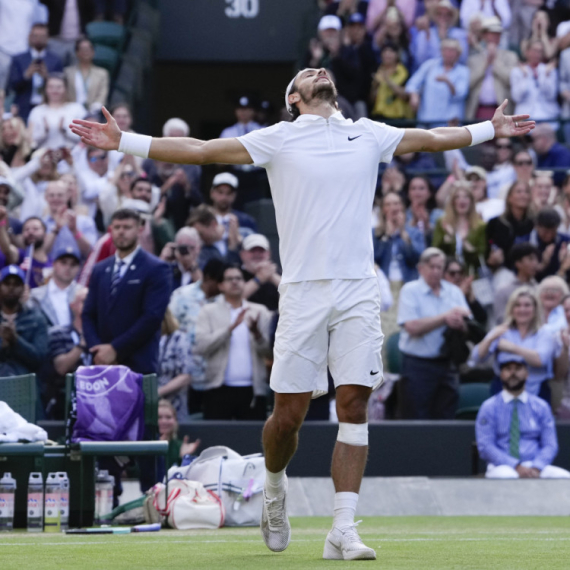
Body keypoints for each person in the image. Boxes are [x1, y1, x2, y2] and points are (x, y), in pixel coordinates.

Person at [71, 64, 534, 559]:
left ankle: (343, 527)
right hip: (302, 293)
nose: (318, 70)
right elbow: (202, 150)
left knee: (354, 406)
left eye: (322, 69)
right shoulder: (279, 138)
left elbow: (431, 138)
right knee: (287, 418)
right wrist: (124, 143)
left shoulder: (370, 133)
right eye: (306, 73)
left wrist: (490, 129)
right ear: (294, 97)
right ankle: (273, 486)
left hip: (358, 289)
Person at [82, 209, 172, 374]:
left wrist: (115, 349)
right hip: (101, 363)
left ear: (139, 229)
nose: (121, 232)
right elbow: (88, 314)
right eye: (117, 227)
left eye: (127, 227)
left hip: (138, 363)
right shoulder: (100, 269)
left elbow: (152, 317)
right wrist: (98, 350)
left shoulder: (157, 268)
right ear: (110, 230)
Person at [397, 248, 472, 420]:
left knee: (446, 418)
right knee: (416, 419)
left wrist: (461, 324)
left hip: (447, 365)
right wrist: (445, 317)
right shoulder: (410, 290)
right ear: (420, 268)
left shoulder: (454, 291)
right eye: (432, 267)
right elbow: (412, 327)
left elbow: (470, 327)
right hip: (418, 365)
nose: (437, 271)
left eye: (440, 267)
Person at [194, 265, 273, 420]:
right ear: (221, 285)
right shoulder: (208, 311)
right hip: (218, 388)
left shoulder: (260, 311)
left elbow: (270, 353)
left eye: (239, 278)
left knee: (253, 441)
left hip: (253, 390)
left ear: (244, 283)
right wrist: (230, 329)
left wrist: (257, 334)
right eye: (229, 279)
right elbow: (202, 347)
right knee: (217, 440)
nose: (235, 282)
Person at [476, 352, 570, 479]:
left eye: (518, 368)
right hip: (502, 466)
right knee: (508, 477)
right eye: (508, 369)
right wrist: (515, 466)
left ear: (527, 373)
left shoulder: (541, 406)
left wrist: (537, 466)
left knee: (564, 477)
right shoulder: (489, 407)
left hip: (535, 465)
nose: (513, 373)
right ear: (501, 375)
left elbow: (550, 444)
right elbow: (486, 446)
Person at [471, 287, 559, 402]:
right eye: (517, 305)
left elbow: (540, 360)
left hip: (537, 392)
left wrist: (511, 348)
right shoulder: (501, 331)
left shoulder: (544, 333)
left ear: (535, 308)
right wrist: (490, 338)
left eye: (527, 305)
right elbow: (477, 357)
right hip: (503, 390)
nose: (522, 309)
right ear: (511, 309)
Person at [168, 258, 225, 415]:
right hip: (184, 372)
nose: (222, 286)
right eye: (218, 281)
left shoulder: (225, 301)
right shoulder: (181, 295)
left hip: (216, 376)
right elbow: (170, 329)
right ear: (207, 278)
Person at [45, 285, 89, 418]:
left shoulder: (103, 334)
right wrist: (82, 345)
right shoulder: (58, 333)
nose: (91, 305)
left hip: (98, 394)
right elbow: (61, 367)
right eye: (84, 301)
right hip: (65, 399)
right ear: (72, 305)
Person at [406, 38, 470, 126]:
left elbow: (460, 94)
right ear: (441, 51)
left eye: (452, 51)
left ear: (458, 54)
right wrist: (414, 95)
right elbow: (412, 84)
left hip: (448, 123)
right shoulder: (429, 65)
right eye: (445, 50)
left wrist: (448, 82)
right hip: (426, 120)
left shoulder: (463, 71)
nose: (448, 53)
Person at [6, 23, 63, 122]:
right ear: (29, 37)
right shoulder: (19, 59)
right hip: (23, 107)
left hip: (49, 106)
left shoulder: (55, 60)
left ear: (48, 38)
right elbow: (11, 86)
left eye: (42, 36)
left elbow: (62, 85)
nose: (38, 39)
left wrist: (47, 77)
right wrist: (26, 75)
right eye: (35, 36)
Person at [466, 17, 518, 121]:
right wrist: (485, 64)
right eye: (491, 33)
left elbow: (510, 80)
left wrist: (494, 61)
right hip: (478, 110)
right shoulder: (473, 59)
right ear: (484, 35)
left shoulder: (510, 56)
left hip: (502, 110)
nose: (495, 36)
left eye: (497, 34)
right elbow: (469, 84)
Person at [0, 264, 48, 376]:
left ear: (24, 288)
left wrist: (15, 340)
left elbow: (40, 359)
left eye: (16, 284)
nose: (11, 288)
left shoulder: (36, 319)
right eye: (7, 283)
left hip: (26, 383)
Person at [432, 182, 486, 274]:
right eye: (457, 197)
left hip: (472, 276)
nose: (462, 200)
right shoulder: (442, 222)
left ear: (471, 201)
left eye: (466, 197)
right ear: (452, 201)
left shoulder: (480, 226)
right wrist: (448, 238)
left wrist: (465, 243)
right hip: (447, 276)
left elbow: (482, 256)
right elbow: (435, 252)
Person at [42, 179, 97, 261]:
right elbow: (40, 253)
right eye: (51, 195)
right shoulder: (41, 224)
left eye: (60, 195)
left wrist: (75, 231)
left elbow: (91, 253)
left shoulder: (85, 222)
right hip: (48, 271)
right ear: (46, 197)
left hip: (78, 271)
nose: (55, 198)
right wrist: (56, 229)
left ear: (68, 196)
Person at [486, 181, 534, 272]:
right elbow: (490, 248)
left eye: (526, 192)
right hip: (503, 270)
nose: (523, 195)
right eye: (519, 192)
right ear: (509, 198)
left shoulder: (534, 223)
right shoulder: (495, 223)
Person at [510, 41, 560, 129]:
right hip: (526, 117)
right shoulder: (517, 71)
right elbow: (516, 97)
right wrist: (524, 77)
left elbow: (551, 96)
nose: (537, 54)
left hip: (547, 117)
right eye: (534, 50)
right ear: (527, 52)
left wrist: (545, 76)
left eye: (540, 51)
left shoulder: (549, 70)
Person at [30, 244, 81, 326]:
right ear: (54, 264)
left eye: (73, 264)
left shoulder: (83, 295)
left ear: (78, 268)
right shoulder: (35, 295)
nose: (68, 267)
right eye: (63, 263)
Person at [410, 0, 468, 71]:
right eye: (439, 14)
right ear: (435, 16)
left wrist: (446, 37)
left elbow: (463, 59)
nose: (443, 16)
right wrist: (427, 36)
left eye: (447, 14)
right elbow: (420, 60)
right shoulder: (424, 33)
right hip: (428, 73)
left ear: (452, 17)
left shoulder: (460, 34)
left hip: (453, 74)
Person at [157, 308, 192, 422]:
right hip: (146, 406)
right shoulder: (139, 339)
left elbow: (186, 376)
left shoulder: (178, 338)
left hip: (174, 406)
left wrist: (158, 392)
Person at [0, 215, 52, 288]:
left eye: (35, 229)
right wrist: (1, 223)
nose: (30, 232)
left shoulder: (53, 263)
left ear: (45, 235)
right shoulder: (21, 256)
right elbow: (7, 249)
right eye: (26, 229)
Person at [493, 243, 539, 325]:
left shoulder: (539, 289)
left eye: (536, 259)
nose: (535, 263)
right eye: (530, 259)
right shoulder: (503, 291)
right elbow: (501, 320)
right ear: (518, 263)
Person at [63, 37, 109, 114]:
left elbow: (102, 95)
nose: (86, 51)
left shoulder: (102, 73)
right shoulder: (67, 72)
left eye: (88, 49)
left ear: (93, 52)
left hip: (94, 112)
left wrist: (93, 110)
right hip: (71, 112)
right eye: (82, 49)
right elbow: (64, 93)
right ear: (77, 53)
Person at [189, 205, 241, 269]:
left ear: (213, 224)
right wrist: (232, 247)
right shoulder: (202, 251)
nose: (198, 238)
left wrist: (239, 243)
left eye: (200, 234)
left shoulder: (242, 234)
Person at [370, 42, 413, 120]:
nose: (387, 54)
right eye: (385, 51)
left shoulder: (404, 72)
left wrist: (387, 80)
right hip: (380, 116)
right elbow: (371, 100)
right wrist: (374, 86)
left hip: (398, 117)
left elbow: (405, 96)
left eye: (391, 52)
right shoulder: (378, 71)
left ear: (397, 55)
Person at [240, 233, 281, 312]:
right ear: (242, 254)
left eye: (261, 250)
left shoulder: (279, 272)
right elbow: (234, 298)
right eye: (252, 250)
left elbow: (292, 294)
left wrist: (272, 276)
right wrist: (259, 278)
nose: (257, 254)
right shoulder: (235, 272)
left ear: (268, 254)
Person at [443, 257, 486, 325]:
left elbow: (482, 319)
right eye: (452, 273)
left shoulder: (466, 292)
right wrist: (460, 295)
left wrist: (472, 298)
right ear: (443, 275)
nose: (457, 276)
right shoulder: (441, 295)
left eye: (460, 272)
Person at [531, 208, 570, 281]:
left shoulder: (565, 241)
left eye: (553, 232)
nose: (549, 235)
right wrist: (543, 264)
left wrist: (565, 260)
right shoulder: (527, 242)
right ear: (537, 227)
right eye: (545, 232)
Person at [160, 227, 202, 291]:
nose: (186, 252)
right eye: (182, 248)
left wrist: (192, 265)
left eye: (191, 248)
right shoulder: (169, 268)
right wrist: (162, 259)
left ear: (198, 248)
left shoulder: (204, 266)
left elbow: (203, 289)